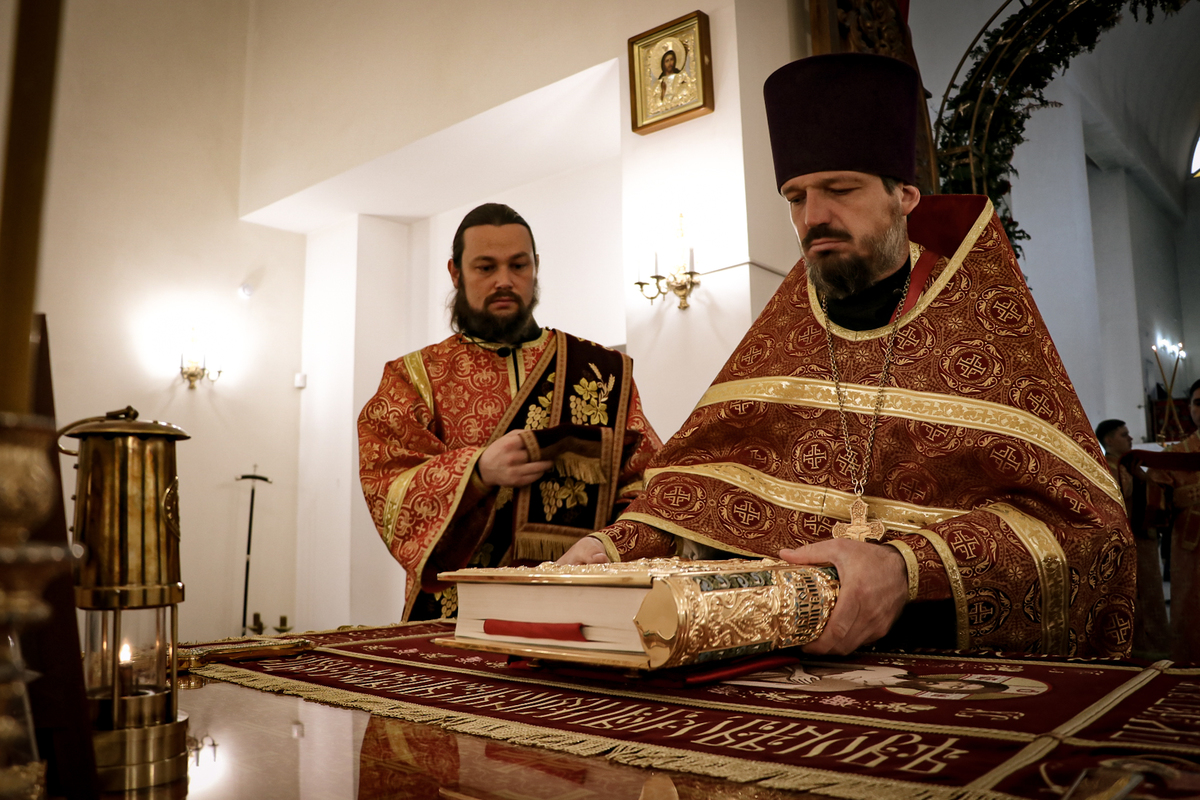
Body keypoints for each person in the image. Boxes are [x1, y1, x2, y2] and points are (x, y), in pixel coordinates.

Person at [560, 54, 1134, 658]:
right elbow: (703, 494)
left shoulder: (984, 326)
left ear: (904, 195)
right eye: (795, 196)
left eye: (840, 190)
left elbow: (1091, 536)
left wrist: (908, 568)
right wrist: (614, 546)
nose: (813, 218)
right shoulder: (783, 336)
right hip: (773, 677)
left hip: (947, 677)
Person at [359, 203, 661, 620]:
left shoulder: (602, 371)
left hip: (581, 604)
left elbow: (647, 483)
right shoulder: (413, 377)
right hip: (460, 612)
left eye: (518, 265)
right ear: (455, 272)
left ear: (535, 267)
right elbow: (387, 486)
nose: (504, 280)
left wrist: (607, 545)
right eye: (486, 267)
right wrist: (477, 471)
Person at [1097, 418, 1169, 657]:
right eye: (1123, 434)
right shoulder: (1106, 468)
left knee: (1152, 592)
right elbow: (1120, 496)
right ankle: (1138, 647)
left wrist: (1141, 475)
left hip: (1144, 539)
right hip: (1124, 542)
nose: (1130, 438)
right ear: (1108, 440)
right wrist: (1136, 475)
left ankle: (1158, 645)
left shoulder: (1129, 466)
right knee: (1133, 593)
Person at [1148, 378, 1200, 662]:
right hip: (1190, 545)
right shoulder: (1175, 455)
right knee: (1190, 603)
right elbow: (1155, 502)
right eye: (1198, 403)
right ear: (1189, 408)